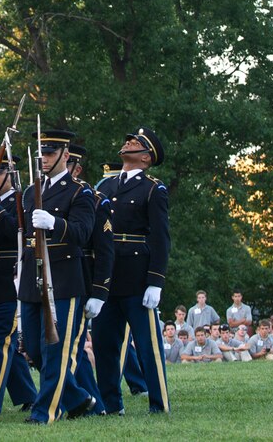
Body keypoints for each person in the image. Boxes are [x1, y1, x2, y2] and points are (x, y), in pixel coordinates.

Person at [16, 127, 96, 424]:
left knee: (55, 348)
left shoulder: (80, 192)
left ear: (65, 155)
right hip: (31, 278)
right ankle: (77, 398)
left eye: (50, 153)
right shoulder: (29, 192)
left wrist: (55, 223)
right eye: (42, 154)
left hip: (62, 279)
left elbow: (83, 233)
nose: (45, 159)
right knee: (35, 349)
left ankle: (46, 411)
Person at [92, 126, 170, 416]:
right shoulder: (105, 186)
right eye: (128, 140)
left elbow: (161, 238)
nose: (127, 143)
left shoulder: (153, 189)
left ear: (146, 158)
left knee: (149, 346)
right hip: (107, 277)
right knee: (104, 345)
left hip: (137, 277)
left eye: (135, 142)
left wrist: (156, 281)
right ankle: (111, 404)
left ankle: (159, 404)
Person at [0, 154, 37, 415]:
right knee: (3, 341)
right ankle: (28, 394)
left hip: (9, 280)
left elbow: (18, 234)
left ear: (10, 175)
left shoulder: (20, 201)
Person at [63, 144, 111, 417]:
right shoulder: (47, 194)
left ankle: (91, 404)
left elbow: (105, 250)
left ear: (76, 169)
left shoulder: (93, 199)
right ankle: (84, 402)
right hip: (56, 279)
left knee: (74, 349)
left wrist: (99, 291)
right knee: (65, 350)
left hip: (82, 279)